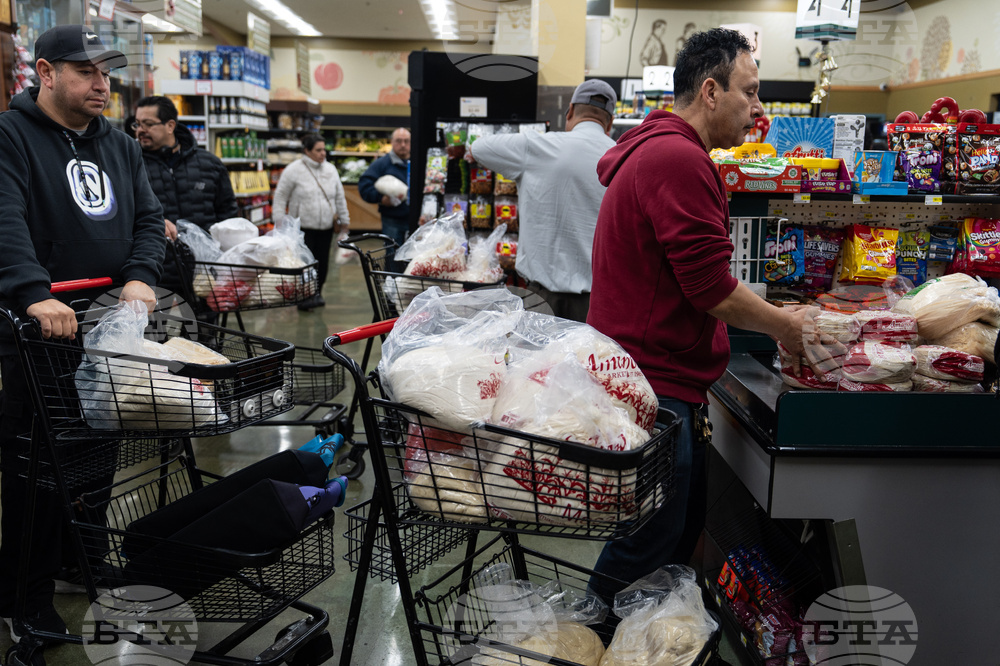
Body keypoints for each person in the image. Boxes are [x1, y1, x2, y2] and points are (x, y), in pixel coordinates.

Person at [586, 28, 809, 603]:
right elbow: (709, 287)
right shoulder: (677, 158)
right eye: (749, 92)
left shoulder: (661, 150)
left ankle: (623, 637)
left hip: (646, 377)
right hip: (654, 386)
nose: (758, 109)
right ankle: (588, 637)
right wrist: (786, 325)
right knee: (646, 544)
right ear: (711, 92)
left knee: (668, 536)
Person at [0, 25, 165, 641]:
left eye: (107, 73)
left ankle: (81, 558)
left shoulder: (120, 146)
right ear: (45, 72)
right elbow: (5, 219)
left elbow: (148, 218)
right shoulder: (10, 135)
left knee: (100, 451)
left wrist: (141, 276)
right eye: (86, 71)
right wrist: (33, 291)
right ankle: (24, 596)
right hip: (39, 332)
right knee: (36, 471)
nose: (102, 84)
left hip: (106, 329)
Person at [466, 81, 617, 322]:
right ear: (609, 123)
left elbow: (479, 148)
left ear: (569, 111)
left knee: (537, 348)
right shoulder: (622, 156)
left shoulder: (538, 146)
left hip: (540, 301)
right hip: (596, 304)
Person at [134, 95, 237, 299]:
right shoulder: (132, 166)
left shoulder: (210, 164)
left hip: (204, 273)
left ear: (170, 125)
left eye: (148, 124)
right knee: (158, 322)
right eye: (137, 124)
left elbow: (228, 214)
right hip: (156, 273)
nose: (140, 130)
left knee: (204, 321)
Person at [271, 133, 349, 310]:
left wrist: (345, 220)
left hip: (326, 227)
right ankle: (305, 296)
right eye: (318, 150)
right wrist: (279, 221)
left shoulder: (330, 170)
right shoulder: (293, 170)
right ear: (307, 151)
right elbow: (281, 195)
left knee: (323, 262)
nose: (323, 153)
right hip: (302, 228)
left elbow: (339, 197)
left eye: (324, 149)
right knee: (304, 263)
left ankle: (317, 293)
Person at [358, 128, 410, 270]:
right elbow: (364, 186)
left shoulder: (417, 161)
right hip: (392, 221)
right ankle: (392, 281)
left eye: (406, 141)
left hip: (415, 220)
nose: (403, 145)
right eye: (399, 141)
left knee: (412, 257)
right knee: (392, 257)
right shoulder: (381, 164)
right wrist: (381, 198)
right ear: (392, 142)